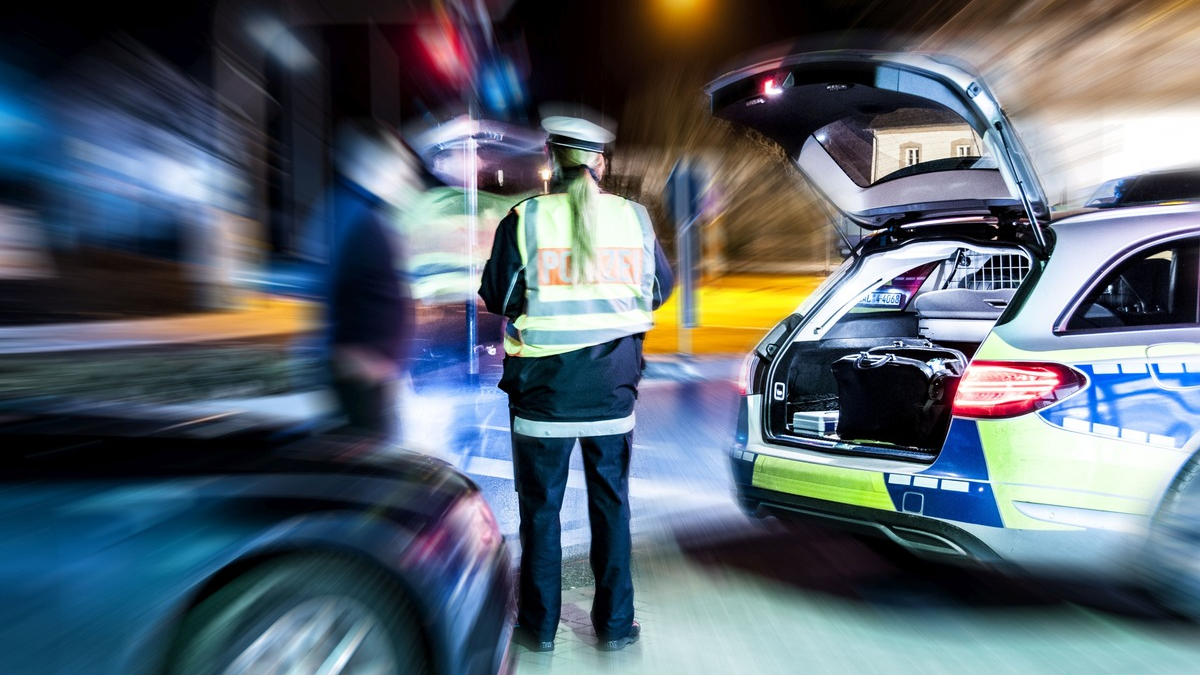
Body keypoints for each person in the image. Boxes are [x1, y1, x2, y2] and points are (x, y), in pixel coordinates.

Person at [478, 116, 674, 653]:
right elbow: (659, 290)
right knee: (612, 506)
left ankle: (539, 629)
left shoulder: (525, 218)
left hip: (544, 393)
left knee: (541, 512)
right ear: (600, 163)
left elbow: (497, 295)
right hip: (612, 389)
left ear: (552, 159)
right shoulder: (634, 218)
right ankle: (615, 626)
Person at [324, 119, 418, 439]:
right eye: (399, 169)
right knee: (372, 458)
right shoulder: (355, 216)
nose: (404, 179)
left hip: (373, 375)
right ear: (376, 166)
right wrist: (359, 358)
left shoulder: (362, 213)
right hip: (364, 377)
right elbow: (332, 290)